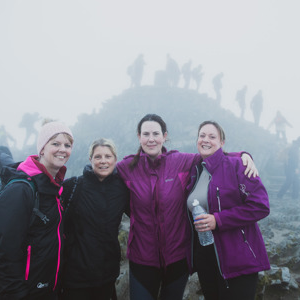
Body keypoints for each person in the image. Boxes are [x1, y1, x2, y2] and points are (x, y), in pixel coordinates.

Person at [116, 114, 258, 300]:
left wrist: (243, 155)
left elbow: (213, 155)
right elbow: (103, 168)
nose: (151, 139)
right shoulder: (126, 167)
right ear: (139, 136)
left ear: (165, 136)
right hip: (142, 258)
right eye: (146, 134)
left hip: (177, 258)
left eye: (156, 133)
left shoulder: (181, 161)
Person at [186, 121, 270, 300]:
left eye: (212, 136)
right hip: (206, 258)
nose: (205, 140)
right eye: (202, 136)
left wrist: (219, 220)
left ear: (222, 142)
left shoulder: (238, 165)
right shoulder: (195, 170)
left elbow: (260, 206)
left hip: (237, 257)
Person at [0, 120, 74, 299]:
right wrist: (16, 294)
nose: (63, 149)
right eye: (56, 143)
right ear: (42, 149)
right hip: (26, 292)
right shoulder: (21, 189)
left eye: (67, 145)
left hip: (48, 287)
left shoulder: (55, 187)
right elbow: (5, 253)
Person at [60, 138, 130, 300]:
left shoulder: (122, 189)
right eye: (98, 157)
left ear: (115, 159)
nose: (103, 161)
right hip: (75, 277)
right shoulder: (73, 186)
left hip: (106, 275)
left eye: (108, 156)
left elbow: (143, 215)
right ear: (90, 159)